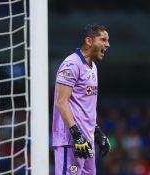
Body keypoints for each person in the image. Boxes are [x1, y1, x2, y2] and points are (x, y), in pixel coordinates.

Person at [52, 24, 111, 175]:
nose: (107, 44)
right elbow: (61, 102)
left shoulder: (93, 67)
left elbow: (85, 106)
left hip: (87, 141)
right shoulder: (71, 64)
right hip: (72, 141)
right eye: (103, 40)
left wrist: (97, 132)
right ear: (89, 41)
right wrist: (77, 135)